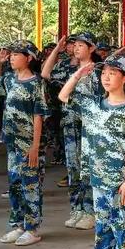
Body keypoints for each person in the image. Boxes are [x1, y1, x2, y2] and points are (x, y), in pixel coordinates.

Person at [59, 56, 125, 249]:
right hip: (97, 179)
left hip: (119, 181)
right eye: (103, 73)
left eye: (112, 73)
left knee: (123, 230)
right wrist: (78, 75)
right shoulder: (93, 104)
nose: (106, 77)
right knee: (103, 229)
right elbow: (64, 96)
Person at [0, 40, 48, 246]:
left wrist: (35, 146)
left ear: (29, 58)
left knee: (30, 185)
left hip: (29, 143)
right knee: (14, 184)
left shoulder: (36, 83)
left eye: (17, 54)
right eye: (11, 54)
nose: (12, 57)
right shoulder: (10, 79)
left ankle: (32, 228)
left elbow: (38, 116)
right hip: (12, 142)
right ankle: (18, 224)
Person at [42, 33, 98, 230]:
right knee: (73, 169)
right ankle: (77, 208)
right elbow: (46, 74)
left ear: (92, 48)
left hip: (89, 128)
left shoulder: (98, 71)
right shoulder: (68, 69)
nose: (76, 48)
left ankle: (91, 211)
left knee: (88, 170)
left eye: (82, 45)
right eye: (74, 45)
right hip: (69, 125)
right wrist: (57, 50)